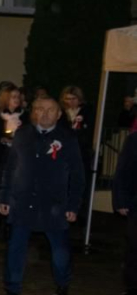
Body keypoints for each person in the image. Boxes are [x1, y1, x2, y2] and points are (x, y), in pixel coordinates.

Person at [0, 97, 85, 295]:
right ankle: (12, 289)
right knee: (16, 248)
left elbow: (78, 175)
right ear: (34, 112)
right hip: (23, 201)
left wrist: (73, 205)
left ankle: (63, 283)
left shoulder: (68, 138)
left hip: (54, 205)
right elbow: (10, 168)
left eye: (50, 110)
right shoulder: (23, 134)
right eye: (40, 109)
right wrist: (4, 196)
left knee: (60, 251)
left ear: (58, 114)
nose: (45, 114)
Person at [0, 83, 27, 237]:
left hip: (18, 159)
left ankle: (10, 222)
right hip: (1, 157)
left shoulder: (24, 116)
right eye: (13, 97)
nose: (17, 100)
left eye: (18, 97)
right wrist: (2, 139)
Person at [59, 85, 95, 219]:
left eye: (73, 99)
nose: (70, 102)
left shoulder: (86, 112)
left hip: (81, 151)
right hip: (63, 152)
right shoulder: (61, 113)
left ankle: (79, 212)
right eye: (67, 99)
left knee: (79, 181)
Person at [113, 130, 137, 295]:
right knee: (134, 246)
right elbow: (123, 170)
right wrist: (121, 200)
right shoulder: (134, 140)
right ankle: (133, 286)